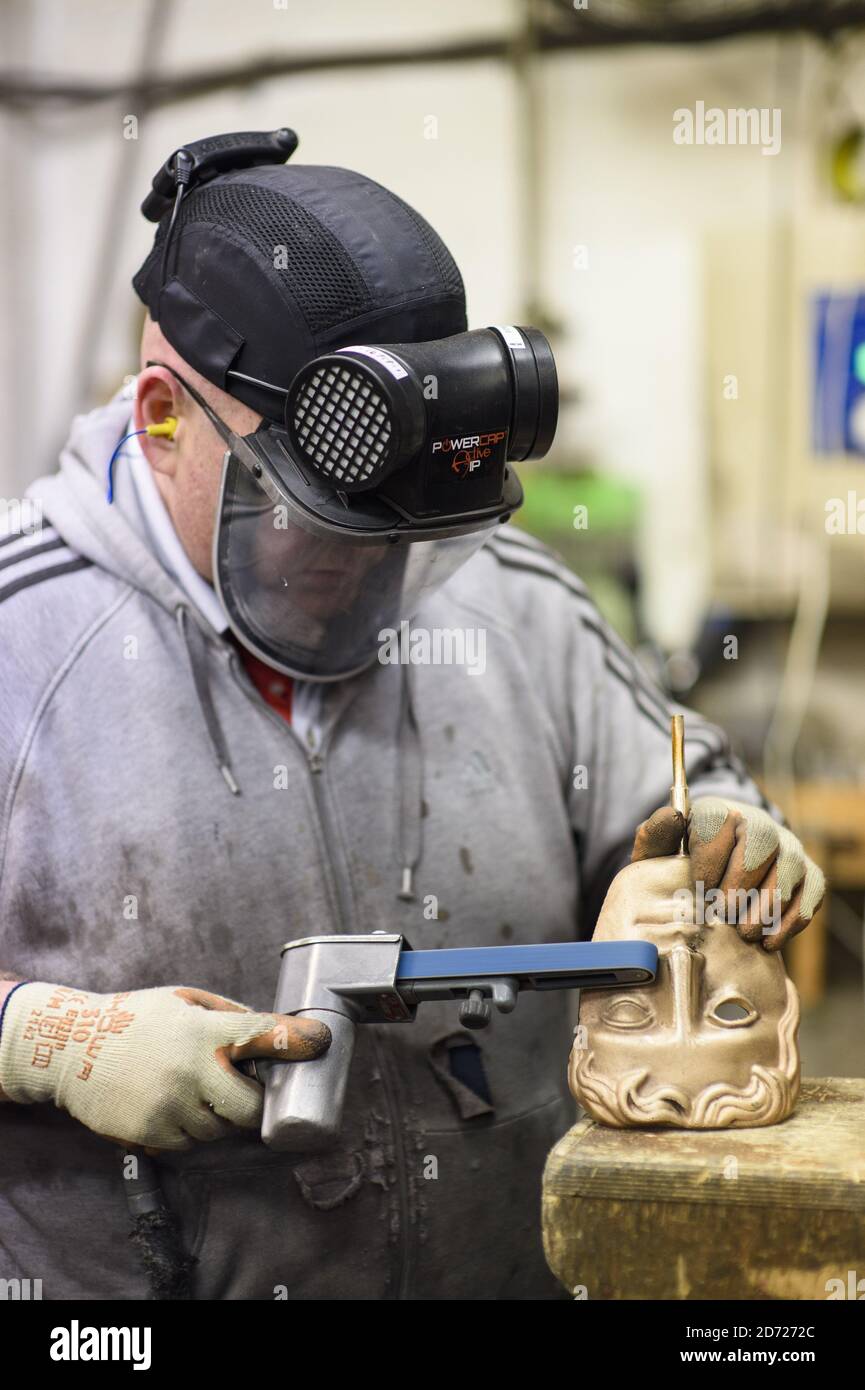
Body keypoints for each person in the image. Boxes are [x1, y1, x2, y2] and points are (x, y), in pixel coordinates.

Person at [0, 130, 824, 1301]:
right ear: (163, 420)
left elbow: (676, 812)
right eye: (318, 527)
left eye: (403, 540)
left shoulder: (512, 604)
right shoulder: (20, 636)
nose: (365, 572)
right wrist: (40, 1038)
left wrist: (733, 833)